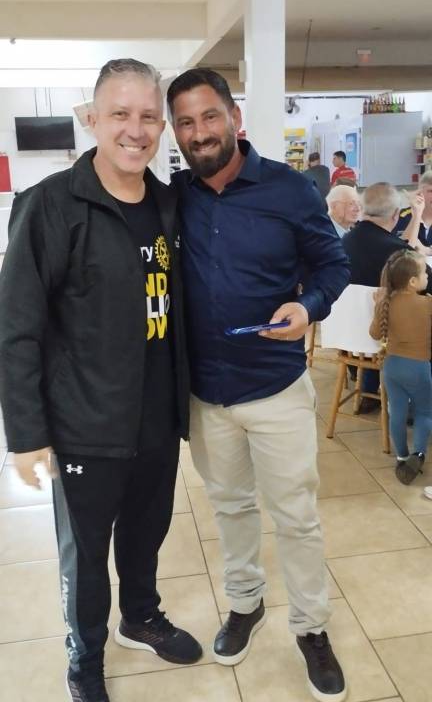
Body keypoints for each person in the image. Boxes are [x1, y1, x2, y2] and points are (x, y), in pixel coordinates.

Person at [0, 59, 202, 702]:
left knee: (146, 533)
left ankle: (139, 617)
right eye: (120, 114)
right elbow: (16, 327)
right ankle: (84, 656)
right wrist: (26, 433)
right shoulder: (51, 206)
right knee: (86, 556)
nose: (135, 130)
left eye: (148, 117)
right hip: (85, 422)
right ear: (93, 119)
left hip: (156, 416)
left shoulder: (168, 204)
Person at [167, 68, 349, 702]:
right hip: (206, 393)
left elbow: (332, 263)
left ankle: (312, 628)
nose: (199, 132)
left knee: (296, 516)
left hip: (276, 388)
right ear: (176, 132)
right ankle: (245, 603)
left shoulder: (290, 190)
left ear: (234, 118)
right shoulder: (174, 196)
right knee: (230, 507)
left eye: (209, 117)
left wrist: (309, 306)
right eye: (185, 123)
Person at [343, 182, 432, 414]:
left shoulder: (344, 242)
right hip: (389, 338)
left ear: (363, 209)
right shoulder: (394, 250)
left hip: (348, 334)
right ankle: (416, 400)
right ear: (395, 215)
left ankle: (368, 389)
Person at [370, 250, 432, 484]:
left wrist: (376, 305)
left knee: (397, 412)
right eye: (424, 272)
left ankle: (402, 457)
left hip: (391, 367)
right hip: (418, 368)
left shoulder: (386, 303)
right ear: (413, 281)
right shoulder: (427, 303)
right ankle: (418, 454)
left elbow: (374, 333)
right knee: (424, 412)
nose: (427, 276)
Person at [393, 171, 432, 253]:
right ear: (420, 192)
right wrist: (416, 215)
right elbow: (399, 249)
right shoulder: (401, 217)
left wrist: (428, 251)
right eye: (431, 191)